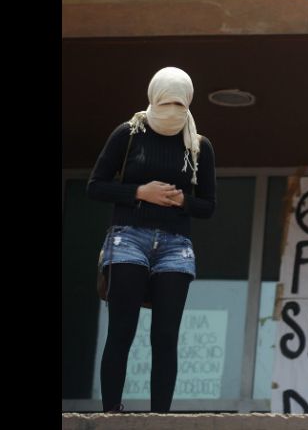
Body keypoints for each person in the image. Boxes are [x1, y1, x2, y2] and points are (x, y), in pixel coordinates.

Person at [88, 66, 216, 412]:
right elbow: (96, 186)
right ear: (154, 97)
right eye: (167, 101)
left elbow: (207, 205)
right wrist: (140, 192)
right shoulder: (128, 133)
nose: (173, 108)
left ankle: (161, 417)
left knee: (165, 337)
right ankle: (111, 414)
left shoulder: (198, 144)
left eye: (180, 102)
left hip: (176, 244)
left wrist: (182, 201)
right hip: (128, 237)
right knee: (122, 330)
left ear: (189, 101)